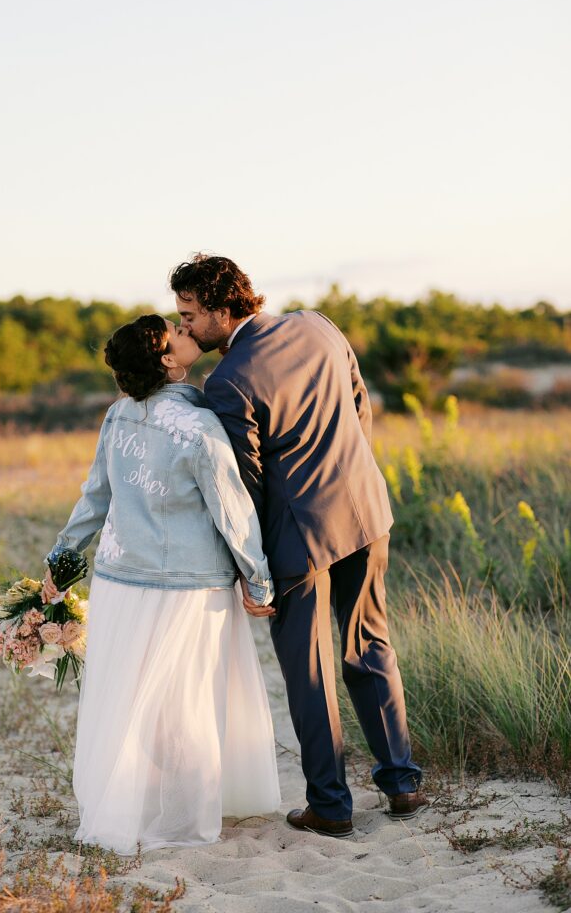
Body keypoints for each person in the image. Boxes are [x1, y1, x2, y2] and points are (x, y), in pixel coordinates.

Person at [170, 254, 428, 839]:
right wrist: (351, 470)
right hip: (366, 512)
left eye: (189, 315)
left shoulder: (228, 380)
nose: (183, 327)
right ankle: (402, 783)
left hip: (300, 537)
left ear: (220, 307)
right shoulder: (319, 324)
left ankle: (331, 807)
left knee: (309, 674)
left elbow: (246, 484)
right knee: (370, 644)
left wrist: (250, 569)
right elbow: (361, 404)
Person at [45, 314, 281, 855]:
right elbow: (231, 509)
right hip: (188, 587)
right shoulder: (198, 428)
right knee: (188, 700)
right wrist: (259, 579)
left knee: (129, 697)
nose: (183, 329)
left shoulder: (117, 415)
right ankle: (181, 820)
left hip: (120, 581)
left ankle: (137, 803)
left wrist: (61, 557)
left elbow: (94, 496)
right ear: (168, 361)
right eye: (174, 332)